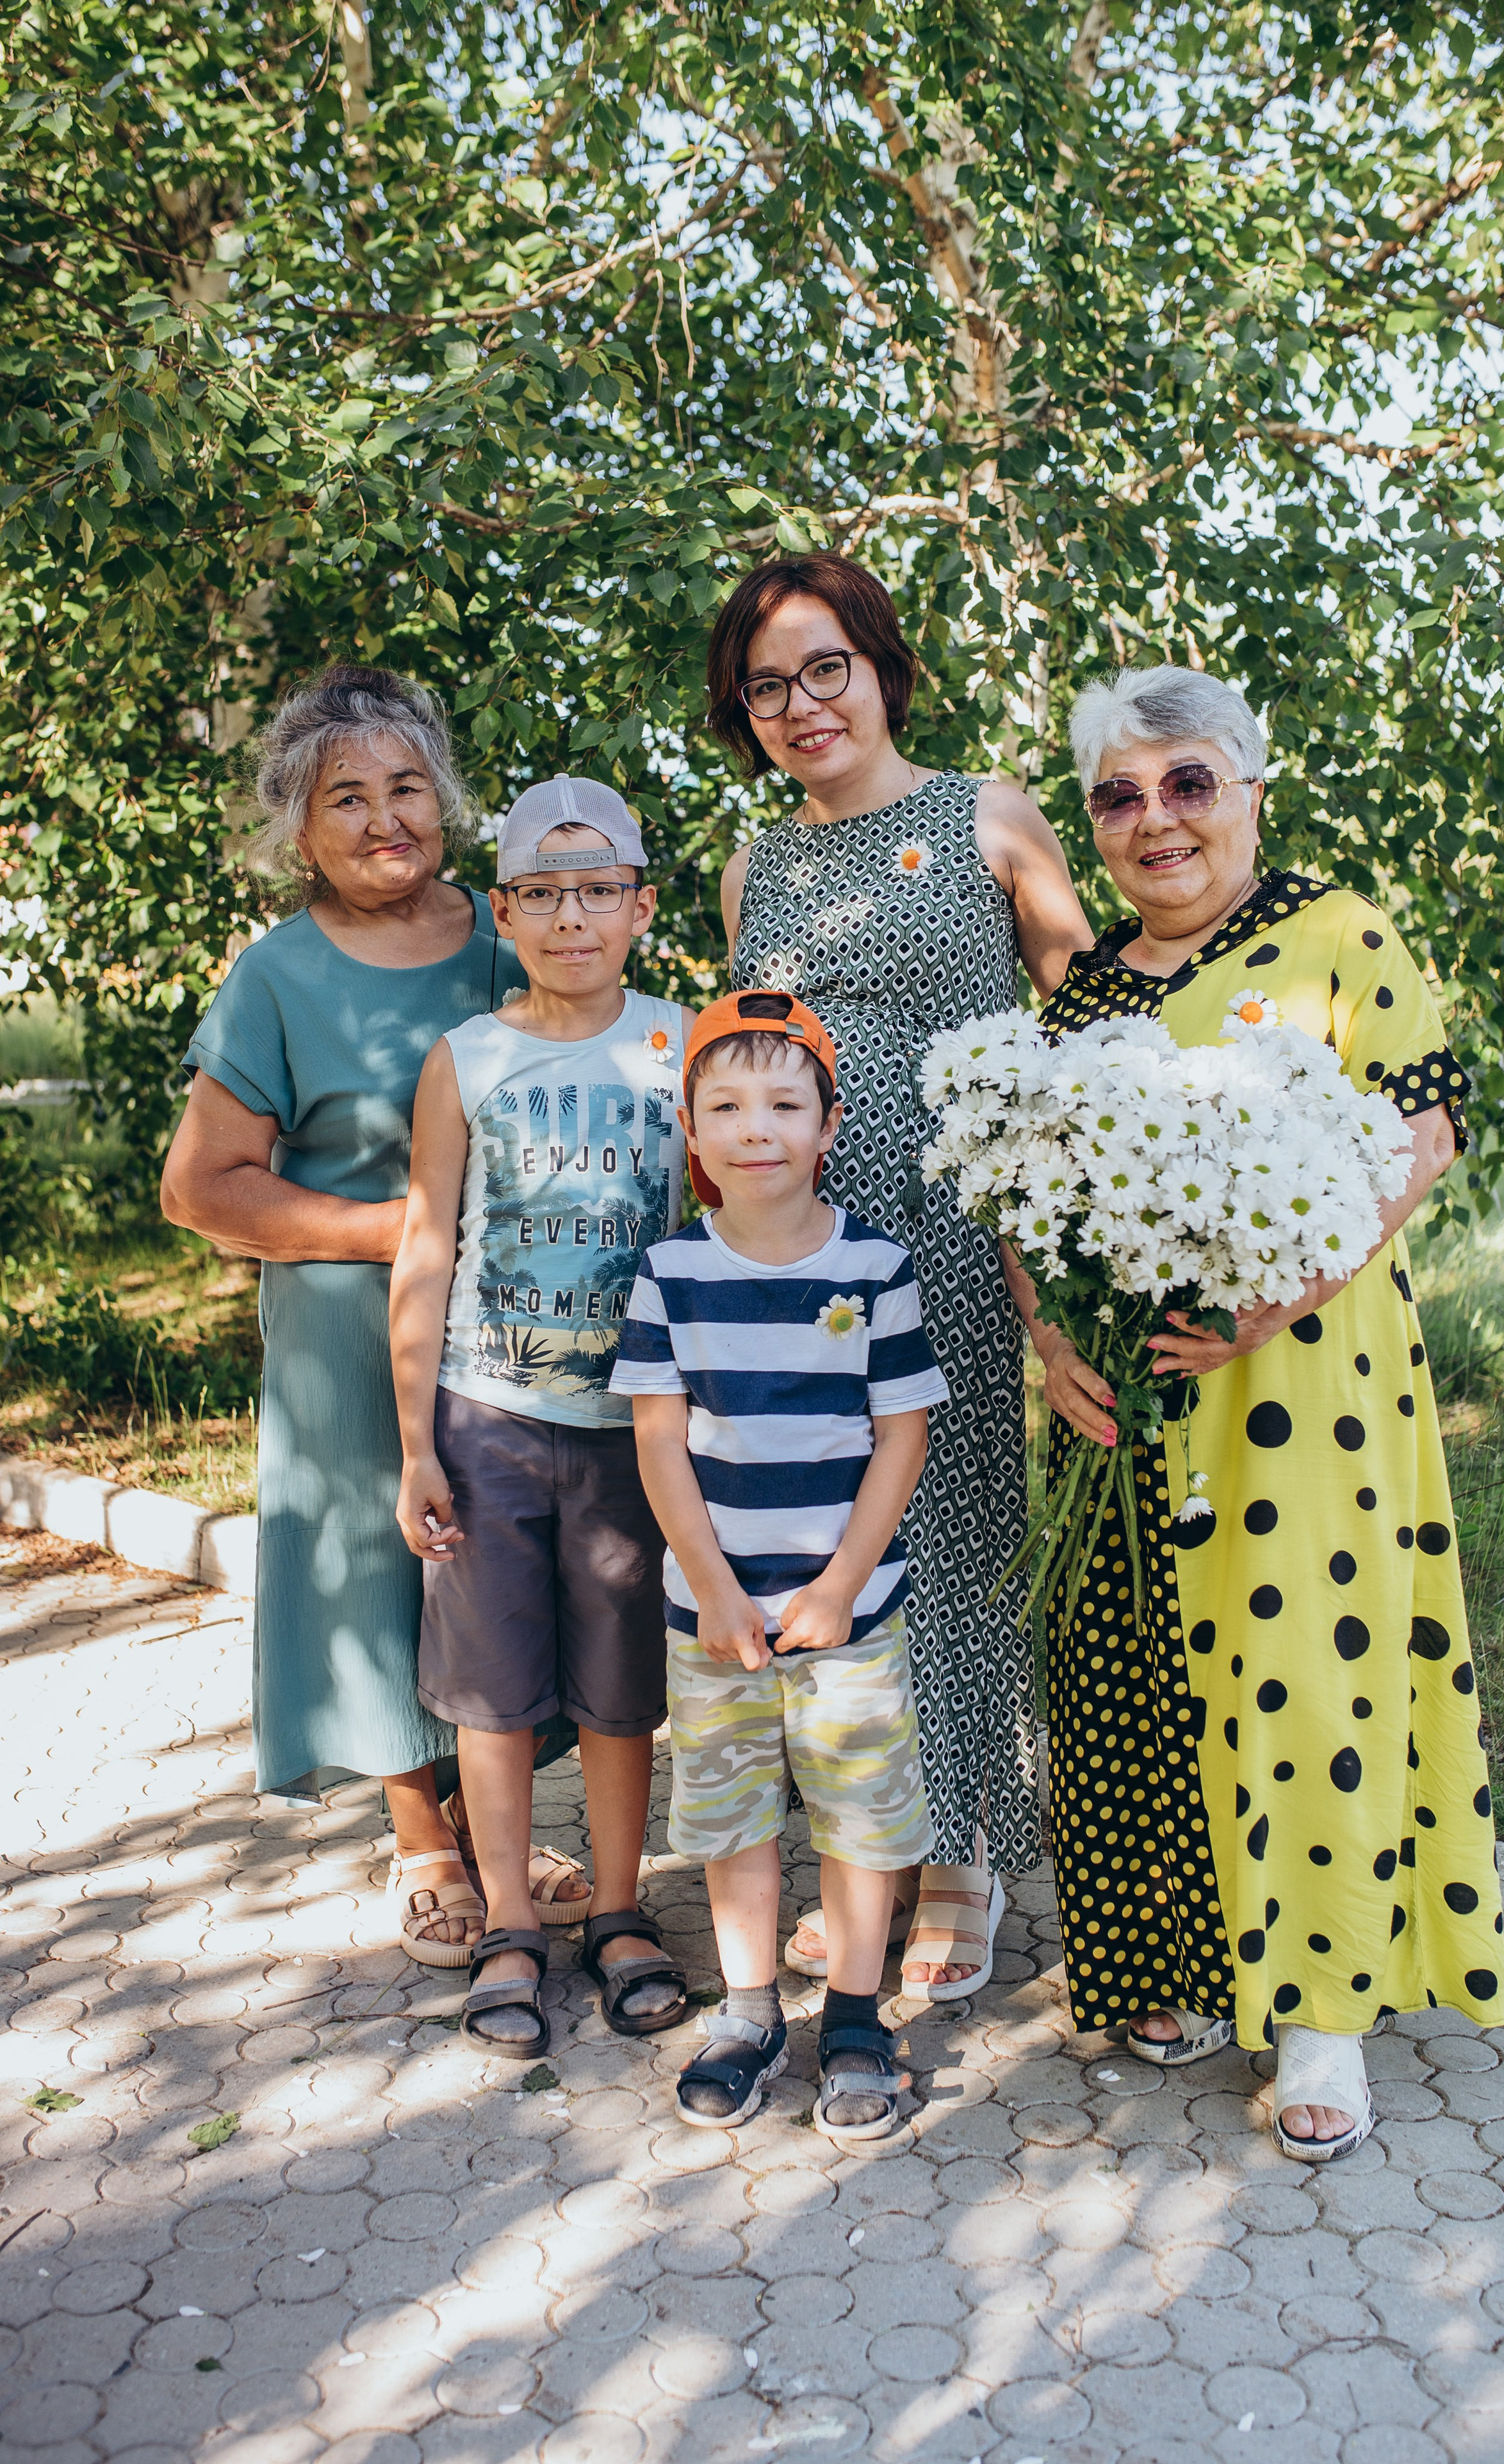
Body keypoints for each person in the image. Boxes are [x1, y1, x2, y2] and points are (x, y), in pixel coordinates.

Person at [1007, 661, 1504, 2161]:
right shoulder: (1086, 987)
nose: (1153, 819)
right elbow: (1024, 1186)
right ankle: (1166, 1959)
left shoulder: (1334, 933)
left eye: (1187, 784)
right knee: (1129, 1662)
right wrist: (1047, 1334)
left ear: (1249, 793)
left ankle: (1319, 2013)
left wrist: (1268, 1303)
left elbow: (1421, 1133)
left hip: (1298, 1383)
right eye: (1116, 795)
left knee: (1303, 1680)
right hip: (1127, 1393)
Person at [162, 669, 590, 1963]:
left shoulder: (510, 942)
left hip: (517, 1323)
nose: (384, 817)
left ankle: (492, 1821)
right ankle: (420, 1837)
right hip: (347, 1331)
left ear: (444, 801)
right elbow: (200, 1188)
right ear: (300, 829)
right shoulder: (275, 977)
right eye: (346, 797)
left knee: (503, 1561)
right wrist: (404, 1231)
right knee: (374, 1564)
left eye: (407, 786)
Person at [712, 553, 1094, 1995]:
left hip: (959, 1232)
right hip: (799, 1255)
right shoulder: (754, 869)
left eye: (828, 667)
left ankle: (961, 1857)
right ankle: (861, 1840)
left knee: (951, 1526)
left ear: (882, 667)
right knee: (824, 1536)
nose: (803, 705)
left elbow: (1086, 1019)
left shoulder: (987, 816)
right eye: (767, 687)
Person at [610, 991, 949, 2137]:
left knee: (858, 1818)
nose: (756, 1127)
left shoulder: (876, 1265)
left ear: (828, 1125)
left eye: (784, 1105)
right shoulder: (670, 1272)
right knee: (733, 1819)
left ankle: (854, 2017)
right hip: (714, 1617)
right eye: (726, 1107)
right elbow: (660, 1440)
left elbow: (900, 1435)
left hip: (848, 1611)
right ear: (691, 1134)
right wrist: (712, 1589)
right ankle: (750, 2012)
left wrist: (843, 1584)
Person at [389, 779, 694, 2052]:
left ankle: (619, 1910)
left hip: (636, 1432)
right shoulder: (468, 1059)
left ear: (641, 906)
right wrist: (418, 1443)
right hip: (489, 1417)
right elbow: (426, 1246)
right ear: (504, 912)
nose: (573, 917)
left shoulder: (685, 1046)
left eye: (598, 890)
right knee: (493, 1695)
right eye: (542, 894)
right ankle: (511, 1921)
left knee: (623, 1691)